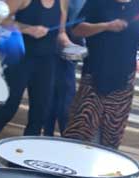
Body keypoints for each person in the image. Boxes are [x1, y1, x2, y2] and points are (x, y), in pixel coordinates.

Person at [0, 0, 74, 165]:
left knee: (40, 113)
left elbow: (61, 33)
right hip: (22, 58)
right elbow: (2, 20)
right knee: (7, 108)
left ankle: (23, 160)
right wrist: (27, 29)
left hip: (47, 61)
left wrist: (70, 45)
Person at [62, 0, 139, 148]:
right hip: (95, 76)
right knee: (80, 132)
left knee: (112, 138)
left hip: (124, 80)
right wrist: (105, 26)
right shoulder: (98, 2)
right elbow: (76, 30)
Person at [45, 0, 87, 136]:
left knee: (58, 95)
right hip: (58, 43)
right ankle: (61, 136)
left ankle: (52, 135)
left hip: (67, 44)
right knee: (63, 97)